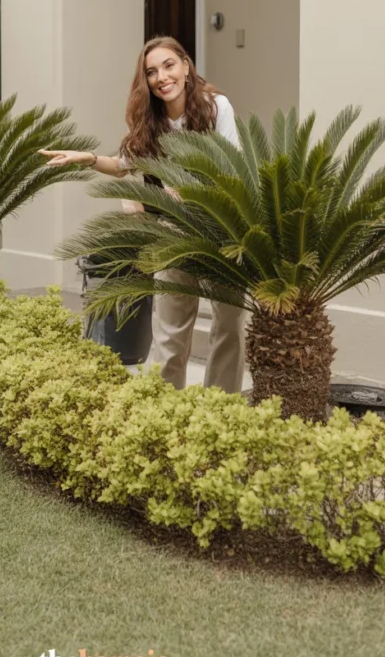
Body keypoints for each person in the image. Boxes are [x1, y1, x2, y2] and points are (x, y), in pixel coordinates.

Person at [39, 35, 245, 394]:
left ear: (185, 66)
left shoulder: (215, 107)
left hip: (221, 230)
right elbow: (122, 165)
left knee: (228, 326)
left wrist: (192, 191)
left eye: (168, 66)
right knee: (170, 331)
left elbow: (232, 165)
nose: (161, 77)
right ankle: (165, 406)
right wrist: (88, 158)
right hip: (173, 233)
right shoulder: (150, 119)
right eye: (151, 72)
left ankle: (221, 406)